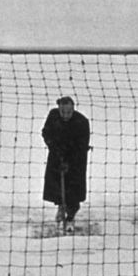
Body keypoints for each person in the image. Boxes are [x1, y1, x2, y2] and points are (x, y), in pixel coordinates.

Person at [41, 96, 91, 233]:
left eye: (69, 112)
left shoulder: (81, 122)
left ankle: (70, 216)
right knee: (57, 185)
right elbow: (46, 133)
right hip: (56, 156)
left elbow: (81, 145)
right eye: (63, 112)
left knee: (73, 189)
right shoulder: (53, 116)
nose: (66, 115)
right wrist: (56, 149)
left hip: (76, 160)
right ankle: (61, 207)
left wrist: (69, 161)